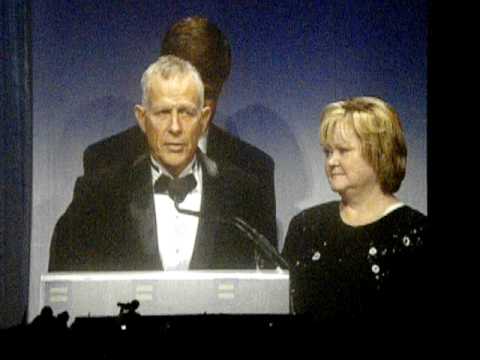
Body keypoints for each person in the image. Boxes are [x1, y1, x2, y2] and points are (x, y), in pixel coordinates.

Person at [49, 55, 270, 271]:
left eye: (186, 113)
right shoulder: (98, 196)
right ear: (142, 119)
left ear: (203, 120)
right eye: (163, 113)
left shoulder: (243, 193)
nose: (175, 127)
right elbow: (65, 285)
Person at [82, 16, 277, 248]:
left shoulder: (253, 169)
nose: (176, 126)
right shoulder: (105, 161)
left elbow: (266, 277)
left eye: (209, 94)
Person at [282, 96, 430, 324]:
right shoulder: (305, 226)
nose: (331, 161)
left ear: (380, 154)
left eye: (343, 150)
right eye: (328, 152)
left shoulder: (417, 234)